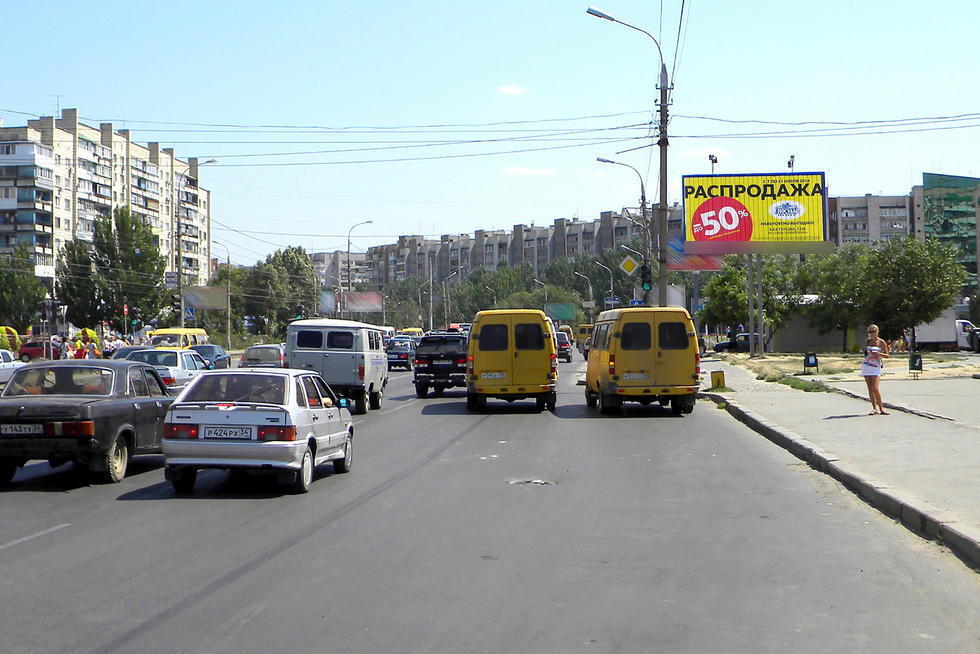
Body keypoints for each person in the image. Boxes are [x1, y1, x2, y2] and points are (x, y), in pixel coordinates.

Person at [861, 324, 890, 415]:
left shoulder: (881, 342)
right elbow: (865, 353)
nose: (872, 333)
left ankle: (881, 408)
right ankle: (874, 408)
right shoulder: (868, 341)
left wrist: (879, 354)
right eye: (870, 332)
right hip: (867, 365)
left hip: (876, 366)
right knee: (870, 388)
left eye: (873, 331)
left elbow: (887, 355)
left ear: (877, 331)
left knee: (875, 388)